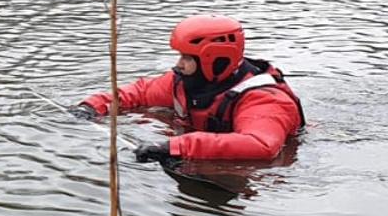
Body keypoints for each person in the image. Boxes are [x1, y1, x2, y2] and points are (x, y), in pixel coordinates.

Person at [73, 16, 305, 163]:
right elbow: (138, 93)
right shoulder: (183, 82)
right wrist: (93, 106)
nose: (178, 64)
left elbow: (262, 146)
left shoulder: (266, 100)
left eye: (186, 57)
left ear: (211, 59)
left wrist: (175, 147)